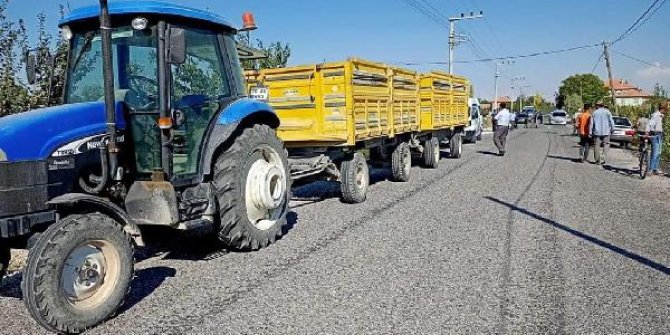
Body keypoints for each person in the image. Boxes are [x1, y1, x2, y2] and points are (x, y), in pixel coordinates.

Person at [589, 101, 615, 165]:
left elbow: (591, 123)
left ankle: (597, 160)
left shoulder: (594, 112)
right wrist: (613, 129)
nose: (595, 106)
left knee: (596, 146)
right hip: (606, 132)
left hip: (597, 132)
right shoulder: (608, 112)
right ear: (603, 105)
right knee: (606, 144)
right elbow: (611, 121)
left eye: (596, 105)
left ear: (598, 106)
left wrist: (590, 132)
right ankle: (603, 156)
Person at [646, 104, 667, 175]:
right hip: (655, 135)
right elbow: (649, 124)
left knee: (659, 153)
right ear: (663, 109)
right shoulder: (656, 115)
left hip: (660, 135)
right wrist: (647, 132)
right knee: (655, 153)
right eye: (665, 109)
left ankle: (655, 168)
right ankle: (651, 169)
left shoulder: (660, 115)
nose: (666, 111)